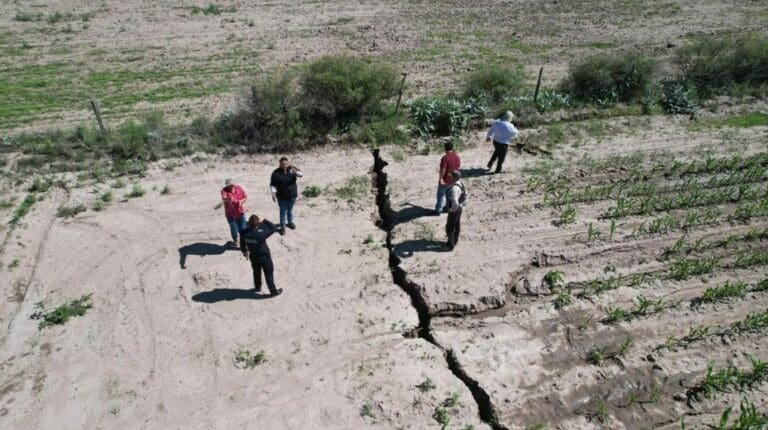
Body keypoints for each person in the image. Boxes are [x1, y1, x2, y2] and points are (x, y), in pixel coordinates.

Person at [240, 214, 282, 297]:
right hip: (264, 256)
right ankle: (273, 291)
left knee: (256, 272)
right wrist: (264, 220)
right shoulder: (261, 234)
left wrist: (244, 251)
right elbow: (273, 228)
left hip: (253, 255)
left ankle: (257, 287)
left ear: (249, 223)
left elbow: (242, 243)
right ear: (258, 224)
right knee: (268, 273)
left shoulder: (244, 233)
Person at [270, 157, 304, 235]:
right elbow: (273, 185)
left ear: (288, 163)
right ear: (280, 164)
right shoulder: (276, 173)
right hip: (282, 196)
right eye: (282, 164)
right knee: (283, 212)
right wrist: (273, 194)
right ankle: (282, 227)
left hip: (292, 195)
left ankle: (290, 222)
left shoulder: (292, 170)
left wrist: (296, 171)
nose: (284, 166)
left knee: (290, 209)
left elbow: (301, 174)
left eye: (286, 164)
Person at [435, 141, 461, 215]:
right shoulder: (457, 156)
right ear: (452, 148)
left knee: (441, 195)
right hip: (453, 180)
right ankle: (448, 208)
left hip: (445, 180)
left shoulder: (445, 158)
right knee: (449, 195)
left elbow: (443, 169)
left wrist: (441, 179)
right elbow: (458, 167)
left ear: (445, 148)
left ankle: (438, 210)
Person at [221, 178, 247, 247]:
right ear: (226, 185)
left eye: (232, 185)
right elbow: (224, 198)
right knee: (234, 230)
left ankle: (244, 243)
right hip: (231, 215)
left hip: (240, 213)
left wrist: (241, 202)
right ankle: (235, 240)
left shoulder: (238, 188)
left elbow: (245, 197)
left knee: (243, 230)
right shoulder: (224, 191)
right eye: (229, 185)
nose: (231, 186)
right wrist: (228, 200)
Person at [445, 171, 466, 250]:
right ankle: (455, 240)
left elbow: (454, 200)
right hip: (460, 208)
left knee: (449, 227)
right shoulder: (461, 183)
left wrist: (452, 209)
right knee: (457, 225)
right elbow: (465, 195)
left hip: (454, 209)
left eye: (451, 176)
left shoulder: (454, 188)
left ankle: (450, 245)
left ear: (455, 177)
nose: (450, 177)